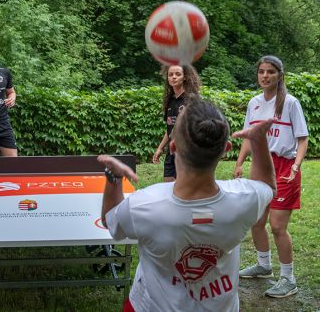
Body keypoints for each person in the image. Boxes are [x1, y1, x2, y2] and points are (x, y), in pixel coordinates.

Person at [98, 99, 276, 311]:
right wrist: (258, 140)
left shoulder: (143, 205)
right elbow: (266, 186)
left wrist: (113, 178)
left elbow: (112, 221)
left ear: (173, 148)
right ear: (226, 149)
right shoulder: (245, 198)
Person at [233, 55, 309, 298]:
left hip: (285, 167)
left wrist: (296, 166)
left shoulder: (290, 102)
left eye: (270, 72)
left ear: (279, 75)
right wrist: (239, 162)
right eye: (261, 72)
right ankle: (264, 265)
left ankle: (288, 278)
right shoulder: (254, 102)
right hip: (261, 166)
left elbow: (302, 138)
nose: (265, 76)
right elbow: (249, 135)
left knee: (277, 226)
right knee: (256, 221)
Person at [152, 64, 201, 181]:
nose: (174, 77)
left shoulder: (192, 99)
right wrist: (160, 148)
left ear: (185, 77)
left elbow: (198, 127)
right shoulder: (170, 100)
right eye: (170, 74)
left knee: (185, 188)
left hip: (186, 151)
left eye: (178, 74)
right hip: (171, 151)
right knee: (168, 184)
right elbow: (169, 128)